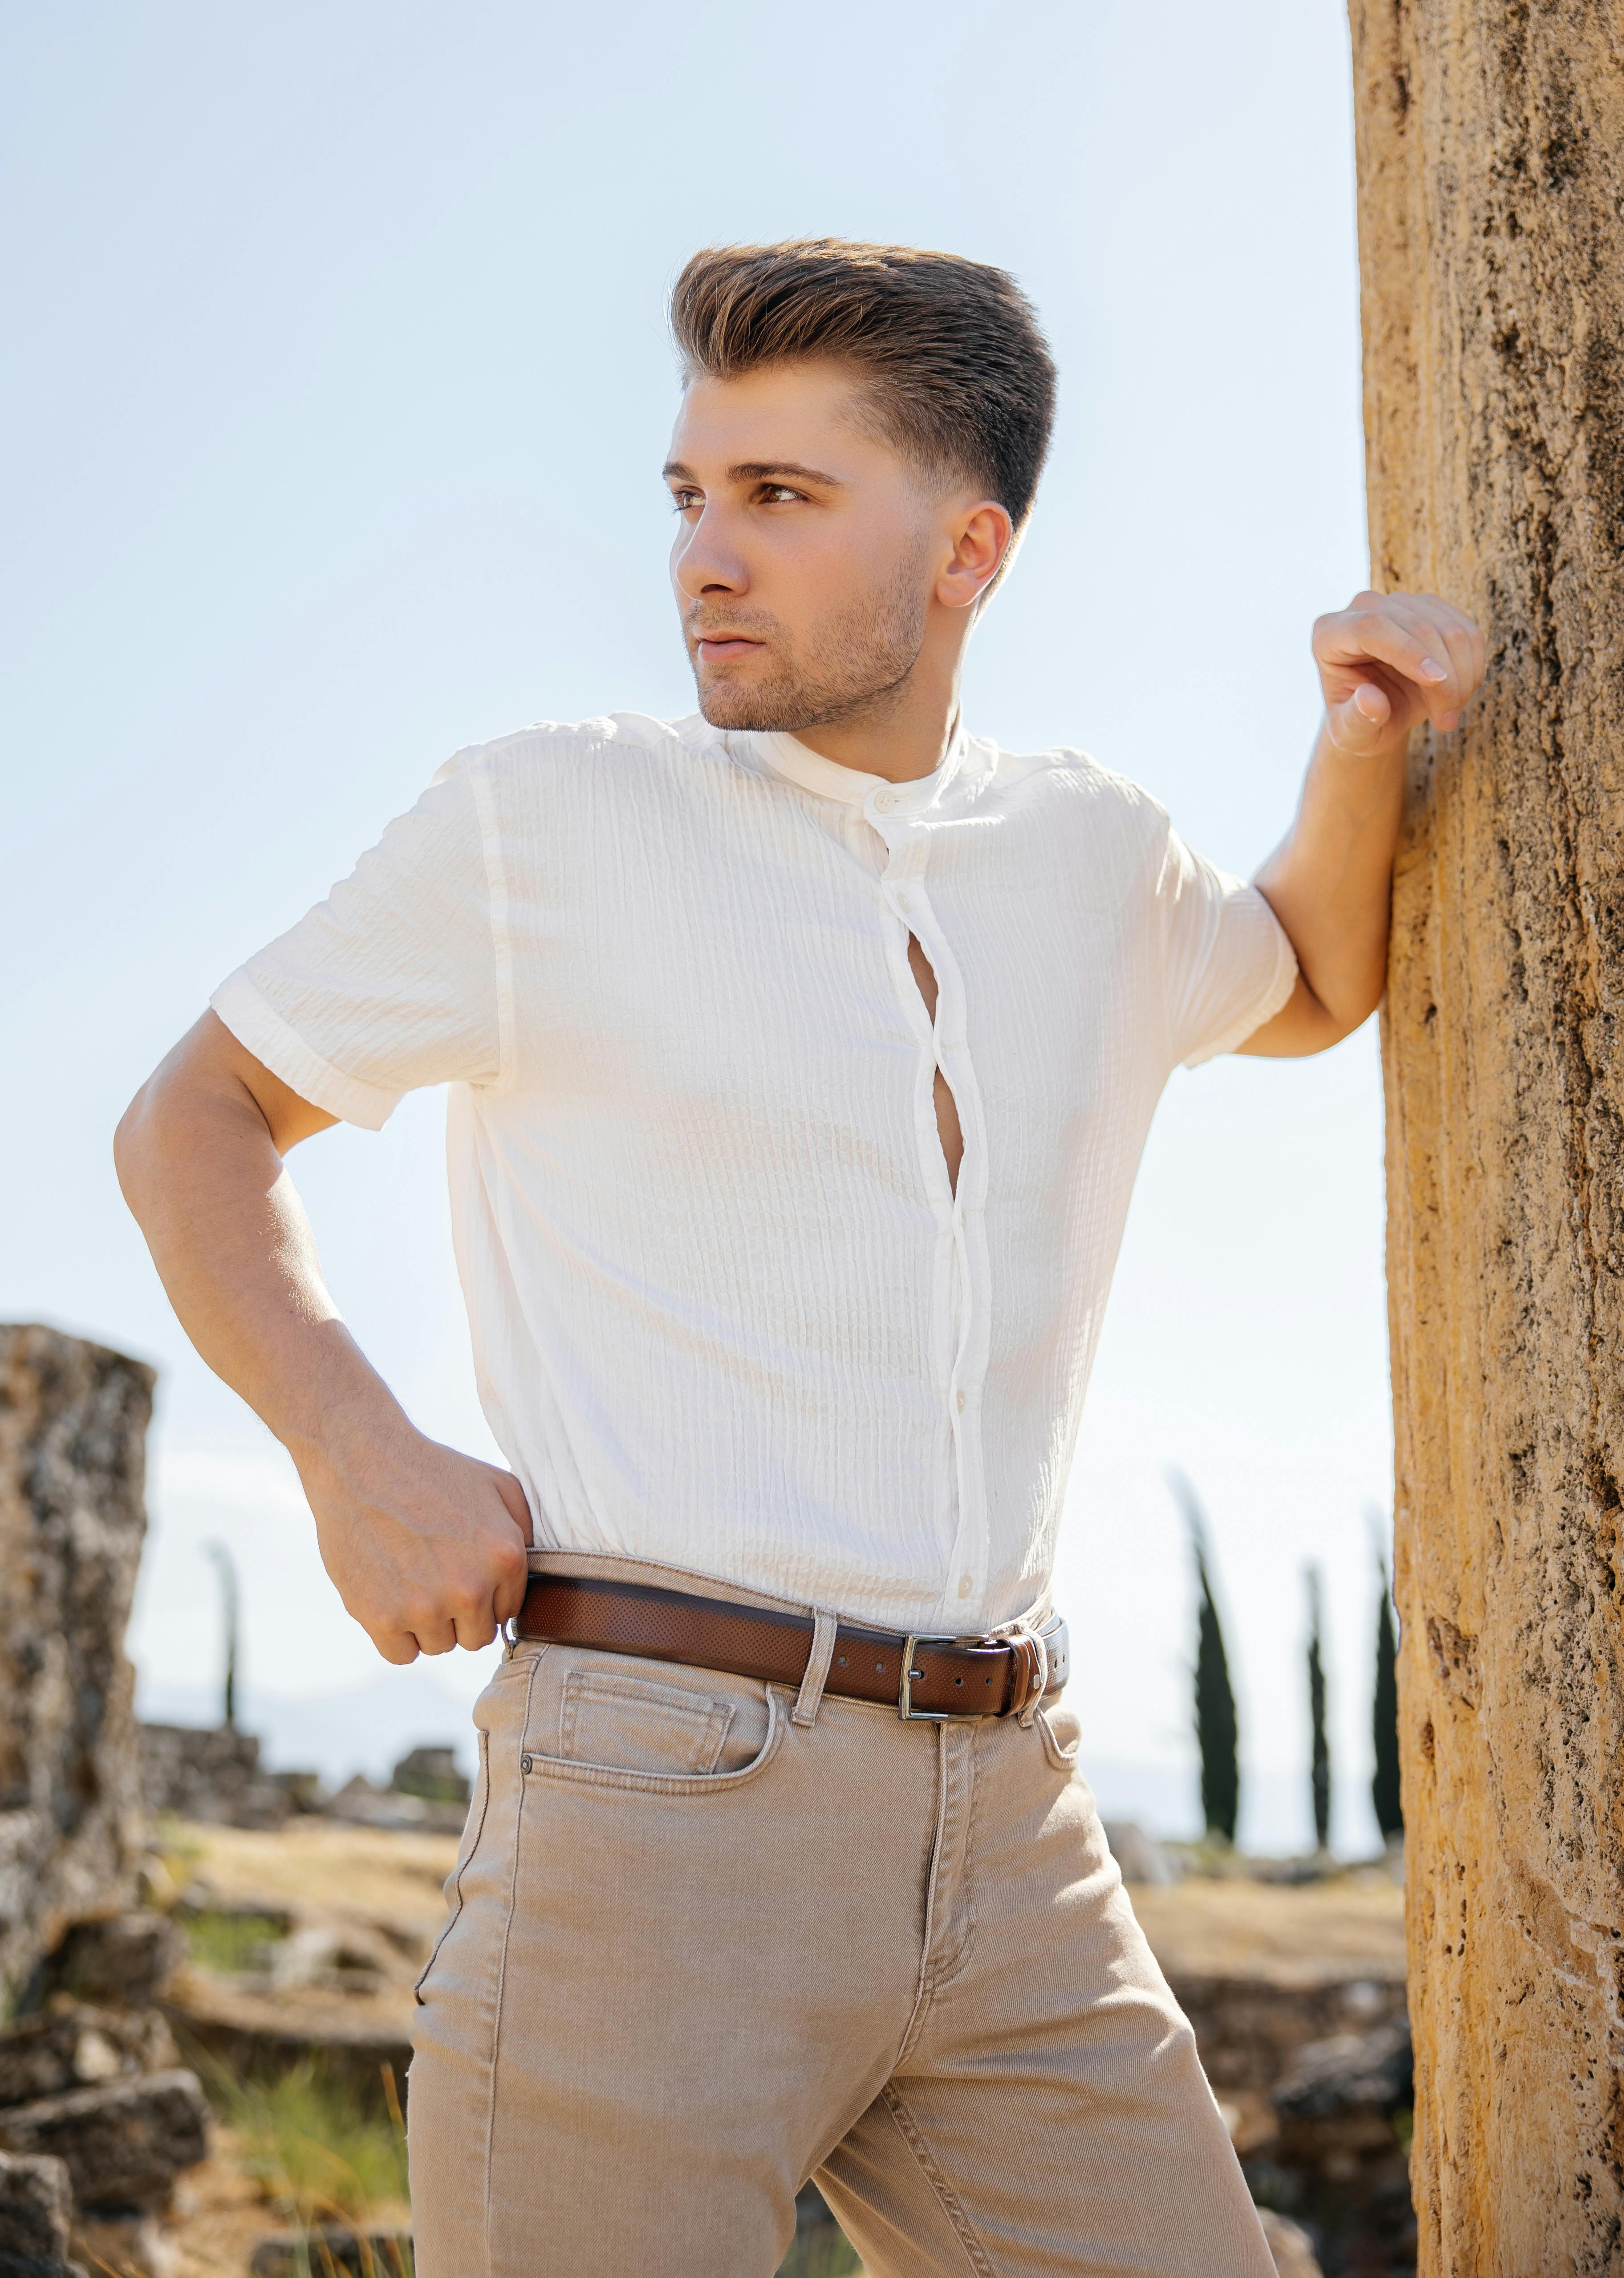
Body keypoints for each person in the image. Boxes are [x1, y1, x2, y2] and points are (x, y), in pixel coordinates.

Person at [115, 240, 1485, 2278]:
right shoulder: (544, 820)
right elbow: (192, 1118)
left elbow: (1302, 978)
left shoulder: (1092, 853)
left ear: (969, 549)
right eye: (690, 494)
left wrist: (1367, 732)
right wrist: (351, 1445)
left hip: (1017, 1826)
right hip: (653, 1803)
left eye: (780, 497)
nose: (703, 556)